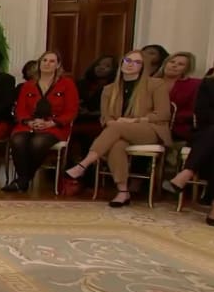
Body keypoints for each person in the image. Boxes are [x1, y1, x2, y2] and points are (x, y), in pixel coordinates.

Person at [64, 50, 171, 207]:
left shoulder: (155, 84)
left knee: (117, 127)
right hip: (118, 132)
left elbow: (163, 114)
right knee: (116, 145)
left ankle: (84, 164)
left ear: (143, 67)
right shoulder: (109, 89)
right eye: (128, 60)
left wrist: (134, 120)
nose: (130, 64)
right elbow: (105, 118)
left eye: (137, 62)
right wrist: (113, 123)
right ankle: (123, 191)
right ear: (122, 63)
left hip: (149, 129)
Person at [163, 44, 214, 226]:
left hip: (211, 134)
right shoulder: (211, 80)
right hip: (213, 131)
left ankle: (186, 173)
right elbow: (201, 111)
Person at [2, 51, 79, 192]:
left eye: (52, 61)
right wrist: (29, 122)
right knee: (18, 140)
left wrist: (52, 122)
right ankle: (24, 180)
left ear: (58, 65)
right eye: (44, 60)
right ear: (39, 63)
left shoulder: (67, 84)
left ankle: (23, 180)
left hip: (54, 127)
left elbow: (71, 111)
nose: (47, 64)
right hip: (29, 125)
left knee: (38, 143)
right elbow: (20, 110)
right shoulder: (28, 85)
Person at [154, 52, 200, 141]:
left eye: (180, 64)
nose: (174, 65)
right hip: (149, 123)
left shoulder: (194, 85)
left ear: (187, 69)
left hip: (177, 128)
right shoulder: (150, 82)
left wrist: (171, 117)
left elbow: (194, 111)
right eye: (172, 62)